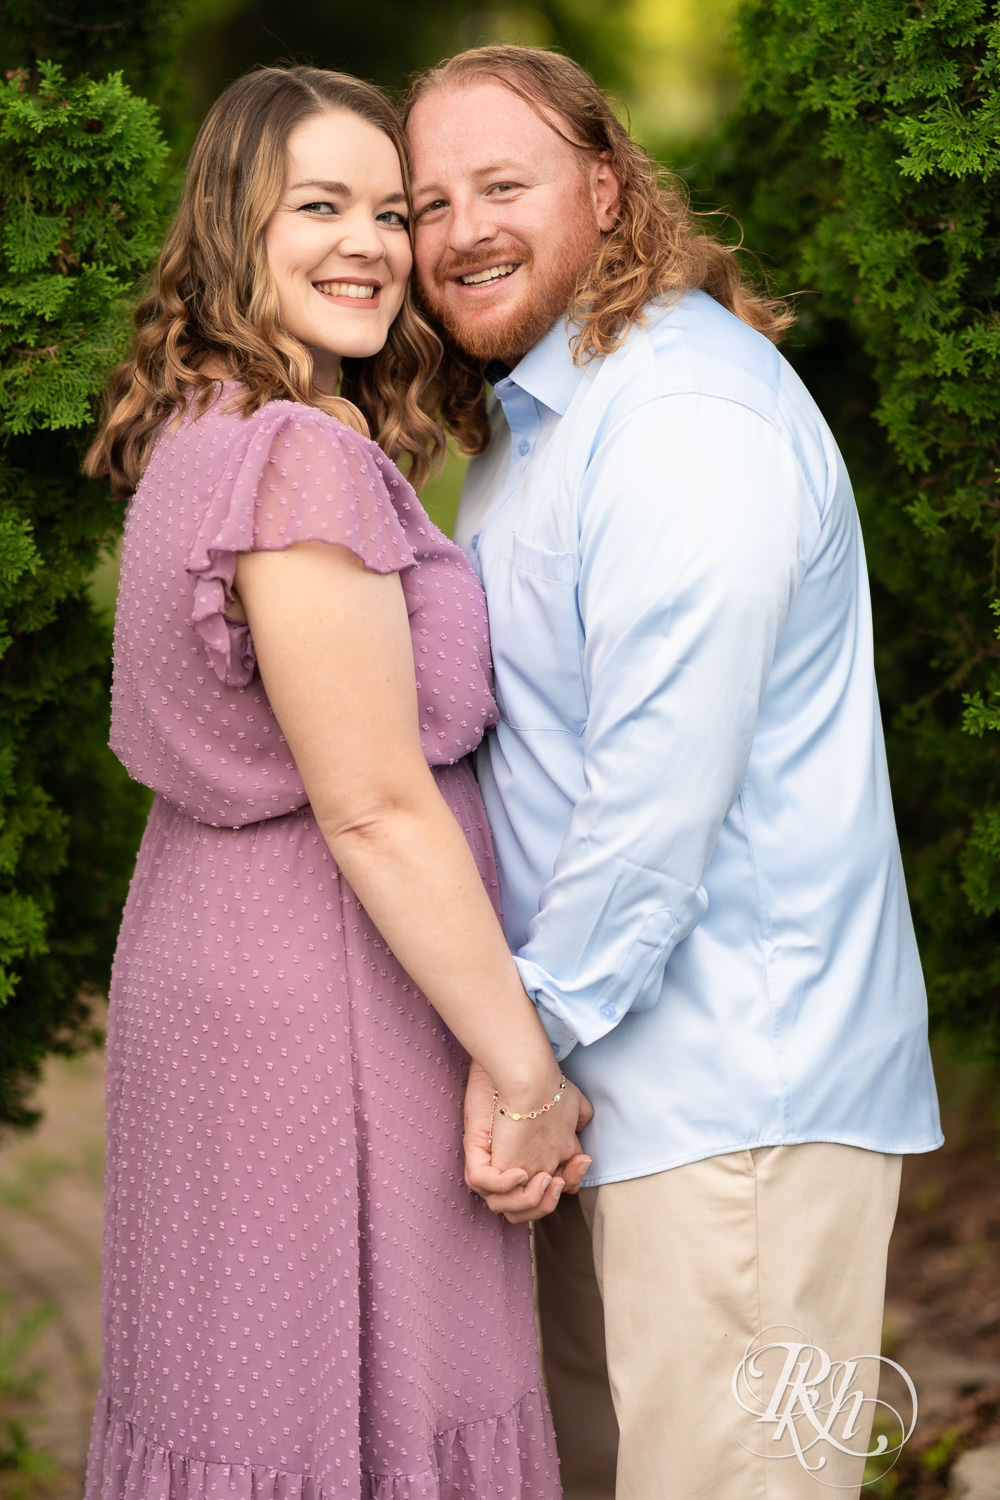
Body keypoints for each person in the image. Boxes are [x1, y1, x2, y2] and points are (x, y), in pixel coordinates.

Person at [405, 45, 943, 1499]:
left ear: (603, 182)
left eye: (500, 184)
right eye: (429, 200)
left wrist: (529, 1059)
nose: (460, 231)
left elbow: (654, 797)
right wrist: (536, 1063)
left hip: (733, 1108)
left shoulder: (685, 420)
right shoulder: (544, 413)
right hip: (602, 1095)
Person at [82, 64, 590, 1500]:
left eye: (388, 209)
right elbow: (373, 808)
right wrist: (526, 1071)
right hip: (330, 1003)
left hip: (215, 957)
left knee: (241, 1403)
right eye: (320, 206)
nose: (369, 243)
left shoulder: (202, 426)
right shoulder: (297, 458)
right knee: (344, 1421)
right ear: (233, 226)